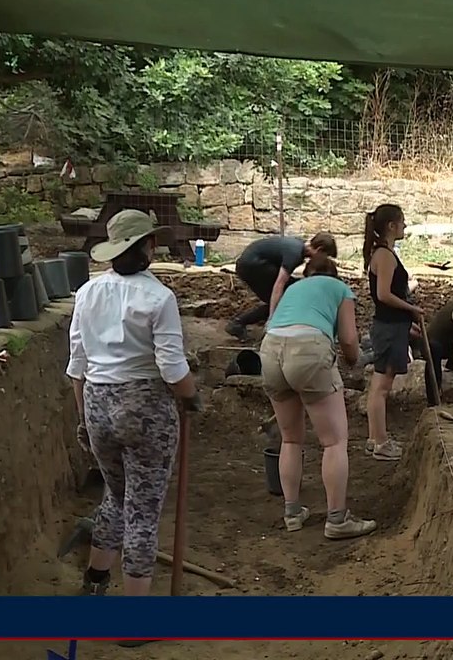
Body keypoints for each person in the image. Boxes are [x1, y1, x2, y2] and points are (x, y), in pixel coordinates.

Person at [66, 209, 197, 624]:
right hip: (144, 408)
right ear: (148, 246)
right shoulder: (159, 298)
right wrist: (192, 397)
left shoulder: (87, 293)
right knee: (142, 509)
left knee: (117, 495)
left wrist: (85, 419)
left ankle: (95, 581)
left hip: (96, 401)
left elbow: (77, 366)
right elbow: (172, 367)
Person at [259, 254, 377, 540]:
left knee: (290, 438)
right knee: (334, 441)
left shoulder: (293, 289)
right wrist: (353, 361)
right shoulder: (340, 289)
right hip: (309, 350)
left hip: (270, 349)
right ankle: (337, 519)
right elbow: (349, 339)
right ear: (333, 275)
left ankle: (292, 513)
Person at [362, 203, 422, 462]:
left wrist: (409, 319)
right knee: (381, 387)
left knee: (380, 385)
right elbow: (383, 294)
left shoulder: (384, 254)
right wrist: (411, 308)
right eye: (402, 221)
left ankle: (374, 438)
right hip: (388, 328)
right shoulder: (384, 256)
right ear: (391, 226)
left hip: (394, 326)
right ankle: (380, 442)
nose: (405, 226)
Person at [225, 232, 339, 340]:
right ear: (319, 250)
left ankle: (239, 323)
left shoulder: (299, 246)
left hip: (253, 264)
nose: (324, 260)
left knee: (287, 294)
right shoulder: (295, 254)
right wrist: (272, 317)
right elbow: (279, 284)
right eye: (326, 256)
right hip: (252, 266)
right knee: (285, 297)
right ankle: (245, 323)